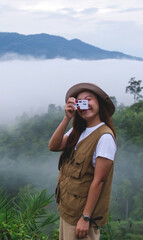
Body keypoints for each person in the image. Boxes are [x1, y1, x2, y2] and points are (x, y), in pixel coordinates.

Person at [49, 83, 117, 240]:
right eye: (80, 102)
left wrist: (85, 218)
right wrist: (67, 118)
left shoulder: (104, 137)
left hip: (81, 217)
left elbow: (99, 181)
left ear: (99, 103)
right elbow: (53, 146)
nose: (84, 105)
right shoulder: (78, 131)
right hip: (68, 211)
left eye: (88, 100)